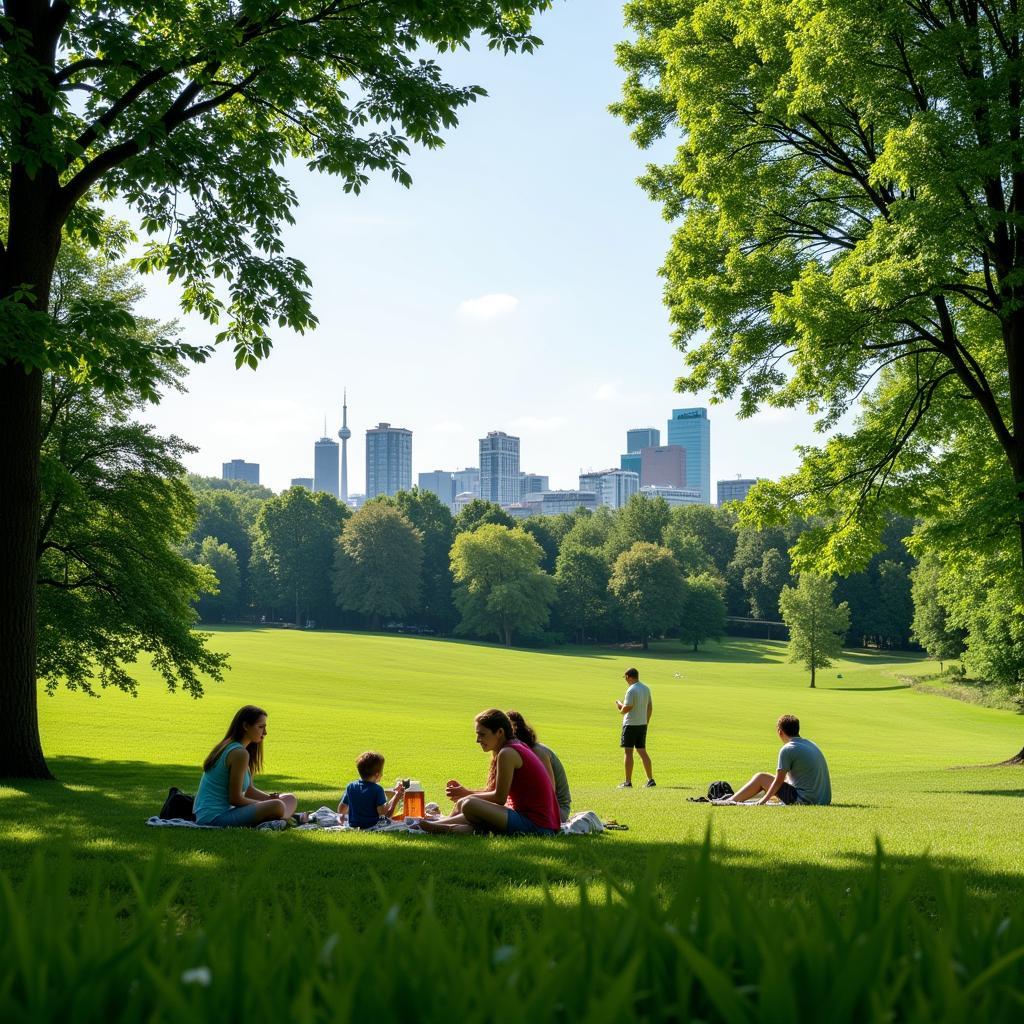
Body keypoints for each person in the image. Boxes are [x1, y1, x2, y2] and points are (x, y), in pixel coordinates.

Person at [422, 708, 561, 836]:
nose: (478, 740)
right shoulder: (515, 746)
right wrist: (466, 796)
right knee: (467, 805)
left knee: (469, 804)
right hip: (536, 821)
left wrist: (467, 795)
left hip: (538, 825)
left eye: (482, 734)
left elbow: (499, 798)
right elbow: (495, 792)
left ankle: (440, 827)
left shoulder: (508, 753)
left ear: (500, 732)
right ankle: (435, 826)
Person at [194, 705, 305, 827]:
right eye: (261, 727)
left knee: (289, 799)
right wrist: (265, 804)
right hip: (215, 818)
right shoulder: (239, 753)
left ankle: (284, 816)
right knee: (277, 805)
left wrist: (269, 799)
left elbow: (249, 791)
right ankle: (289, 818)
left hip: (226, 812)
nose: (265, 733)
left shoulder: (236, 748)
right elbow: (235, 799)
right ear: (246, 726)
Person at [720, 714, 832, 805]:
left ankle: (730, 801)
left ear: (780, 732)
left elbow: (778, 781)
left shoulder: (788, 749)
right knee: (769, 779)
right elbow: (787, 780)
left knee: (761, 777)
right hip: (823, 800)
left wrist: (762, 801)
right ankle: (734, 798)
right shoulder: (810, 744)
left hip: (804, 800)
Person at [506, 709, 572, 823]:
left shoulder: (538, 752)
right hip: (533, 807)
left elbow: (549, 791)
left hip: (555, 811)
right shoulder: (516, 753)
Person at [338, 751, 405, 829]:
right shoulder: (377, 789)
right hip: (373, 826)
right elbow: (385, 814)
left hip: (353, 825)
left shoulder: (351, 786)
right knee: (403, 823)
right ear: (377, 775)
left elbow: (341, 810)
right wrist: (396, 797)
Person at [615, 667, 654, 788]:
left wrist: (620, 706)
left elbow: (627, 707)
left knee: (628, 752)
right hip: (642, 724)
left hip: (630, 724)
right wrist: (646, 722)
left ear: (628, 677)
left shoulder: (631, 690)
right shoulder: (646, 688)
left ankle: (628, 782)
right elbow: (650, 707)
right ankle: (650, 779)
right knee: (642, 751)